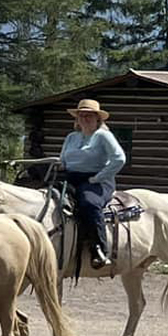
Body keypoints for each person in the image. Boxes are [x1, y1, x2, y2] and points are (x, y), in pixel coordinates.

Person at [59, 98, 125, 269]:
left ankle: (99, 249)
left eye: (89, 116)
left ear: (98, 119)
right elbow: (63, 160)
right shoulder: (71, 137)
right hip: (71, 178)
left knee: (89, 203)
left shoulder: (103, 136)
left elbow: (119, 159)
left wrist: (98, 177)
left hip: (96, 181)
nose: (84, 119)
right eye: (81, 115)